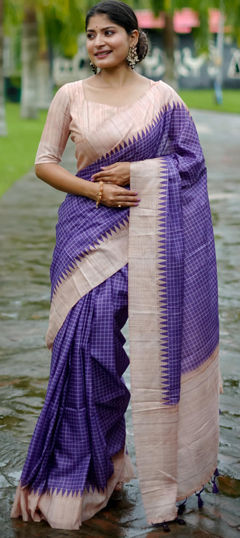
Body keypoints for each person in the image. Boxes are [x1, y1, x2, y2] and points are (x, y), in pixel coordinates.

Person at [11, 0, 220, 531]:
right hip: (84, 235)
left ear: (132, 39)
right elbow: (42, 163)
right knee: (85, 348)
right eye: (90, 35)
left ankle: (123, 469)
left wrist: (142, 170)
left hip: (147, 242)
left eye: (109, 32)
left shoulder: (163, 99)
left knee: (132, 352)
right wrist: (96, 192)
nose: (98, 42)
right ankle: (82, 477)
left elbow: (191, 162)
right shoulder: (70, 96)